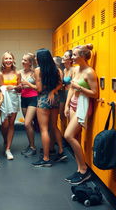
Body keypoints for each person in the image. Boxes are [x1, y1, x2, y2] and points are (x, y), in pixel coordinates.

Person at [64, 44, 98, 185]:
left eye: (74, 55)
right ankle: (79, 169)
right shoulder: (77, 69)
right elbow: (71, 89)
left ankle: (84, 169)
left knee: (68, 135)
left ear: (83, 56)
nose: (72, 57)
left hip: (82, 107)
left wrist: (80, 88)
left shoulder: (89, 72)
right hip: (72, 104)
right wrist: (66, 105)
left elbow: (95, 94)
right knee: (75, 136)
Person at [32, 48, 66, 167]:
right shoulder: (57, 70)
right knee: (54, 126)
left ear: (41, 59)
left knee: (44, 129)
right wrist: (53, 91)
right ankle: (61, 151)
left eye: (36, 57)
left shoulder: (38, 70)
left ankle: (46, 158)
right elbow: (60, 85)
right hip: (55, 99)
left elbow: (39, 89)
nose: (35, 59)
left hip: (43, 100)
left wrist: (28, 84)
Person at [0, 52, 21, 160]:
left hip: (14, 99)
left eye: (10, 58)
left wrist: (16, 87)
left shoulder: (17, 73)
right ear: (3, 61)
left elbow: (20, 89)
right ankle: (5, 140)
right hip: (3, 99)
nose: (8, 60)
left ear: (13, 60)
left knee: (11, 123)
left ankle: (8, 148)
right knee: (4, 124)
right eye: (6, 58)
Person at [19, 53, 38, 156]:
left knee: (27, 123)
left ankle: (33, 147)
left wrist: (28, 84)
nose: (23, 62)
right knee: (28, 125)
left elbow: (38, 88)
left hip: (33, 98)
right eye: (22, 59)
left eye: (25, 60)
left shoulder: (35, 72)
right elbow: (18, 88)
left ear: (30, 62)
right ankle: (30, 145)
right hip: (23, 99)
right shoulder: (19, 72)